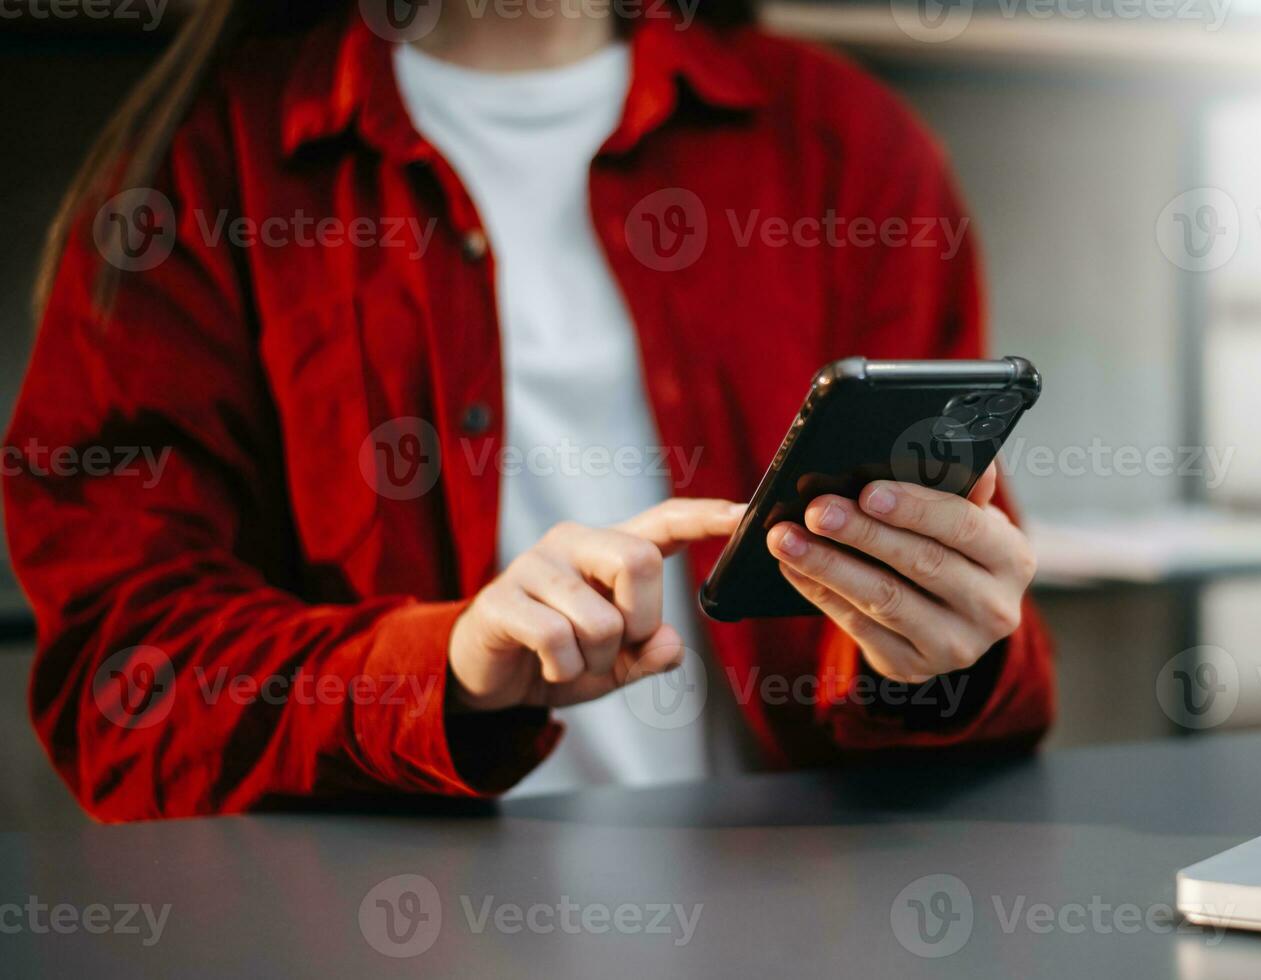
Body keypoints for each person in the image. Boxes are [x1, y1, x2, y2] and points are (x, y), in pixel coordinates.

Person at [7, 0, 1054, 822]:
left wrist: (940, 660)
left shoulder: (848, 145)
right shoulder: (196, 174)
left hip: (803, 919)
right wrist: (443, 668)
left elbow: (975, 645)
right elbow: (121, 683)